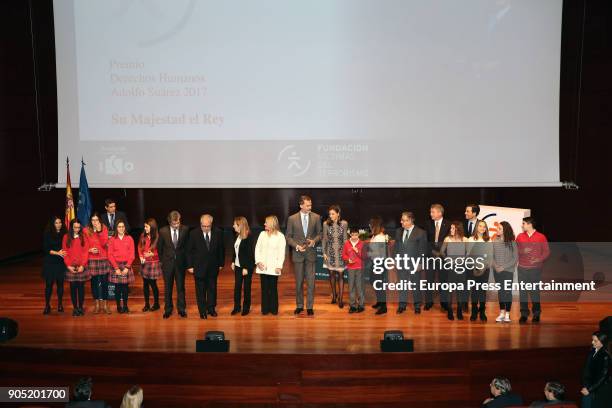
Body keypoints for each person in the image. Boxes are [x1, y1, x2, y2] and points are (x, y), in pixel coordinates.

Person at [285, 195, 322, 316]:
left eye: (310, 205)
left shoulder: (316, 217)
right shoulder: (292, 219)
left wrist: (314, 241)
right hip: (298, 254)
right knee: (299, 282)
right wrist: (296, 246)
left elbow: (320, 234)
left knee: (311, 282)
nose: (310, 207)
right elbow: (288, 237)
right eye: (307, 205)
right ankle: (299, 305)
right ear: (301, 205)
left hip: (311, 253)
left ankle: (310, 306)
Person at [187, 214, 225, 319]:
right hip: (198, 267)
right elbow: (189, 251)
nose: (206, 228)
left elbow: (221, 249)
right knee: (200, 290)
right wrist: (190, 265)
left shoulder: (218, 233)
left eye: (208, 226)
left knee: (212, 289)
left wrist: (221, 263)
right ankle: (202, 311)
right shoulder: (193, 233)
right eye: (204, 226)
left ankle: (211, 309)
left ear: (211, 224)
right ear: (201, 224)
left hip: (213, 267)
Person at [516, 216, 550, 324]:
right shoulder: (520, 236)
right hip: (522, 268)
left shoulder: (541, 237)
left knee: (535, 292)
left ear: (530, 224)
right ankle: (524, 314)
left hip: (535, 270)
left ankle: (536, 313)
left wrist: (539, 259)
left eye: (524, 223)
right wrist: (522, 251)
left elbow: (547, 252)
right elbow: (515, 251)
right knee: (523, 293)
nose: (522, 225)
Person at [157, 210, 190, 319]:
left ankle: (181, 309)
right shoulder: (162, 231)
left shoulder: (185, 230)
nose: (176, 225)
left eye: (178, 223)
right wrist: (163, 261)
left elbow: (187, 247)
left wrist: (187, 262)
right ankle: (168, 309)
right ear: (169, 222)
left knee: (181, 287)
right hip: (167, 265)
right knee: (168, 288)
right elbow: (160, 248)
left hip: (180, 264)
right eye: (174, 223)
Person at [394, 211, 427, 315]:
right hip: (402, 263)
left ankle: (417, 306)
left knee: (416, 285)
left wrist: (421, 263)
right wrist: (396, 259)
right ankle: (402, 305)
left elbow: (423, 249)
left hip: (414, 264)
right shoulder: (398, 231)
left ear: (411, 220)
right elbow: (396, 247)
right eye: (402, 220)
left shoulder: (421, 232)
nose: (401, 222)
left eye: (404, 220)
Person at [255, 215, 286, 315]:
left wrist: (279, 266)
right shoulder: (262, 234)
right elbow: (257, 249)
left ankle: (273, 309)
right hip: (262, 266)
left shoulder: (280, 236)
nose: (264, 224)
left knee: (273, 288)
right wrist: (258, 262)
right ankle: (265, 309)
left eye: (266, 222)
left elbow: (282, 252)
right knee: (264, 288)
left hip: (274, 268)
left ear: (272, 224)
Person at [84, 212, 112, 314]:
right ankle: (96, 305)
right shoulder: (86, 230)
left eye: (96, 220)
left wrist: (99, 231)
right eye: (93, 220)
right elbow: (83, 245)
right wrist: (89, 250)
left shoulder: (104, 228)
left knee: (104, 282)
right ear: (90, 221)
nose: (95, 222)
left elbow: (105, 244)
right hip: (92, 259)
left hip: (103, 258)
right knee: (94, 283)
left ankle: (105, 305)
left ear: (99, 220)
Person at [425, 204, 451, 311]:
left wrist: (440, 253)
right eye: (430, 212)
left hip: (444, 258)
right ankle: (429, 302)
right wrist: (433, 252)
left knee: (443, 281)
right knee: (429, 281)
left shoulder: (449, 224)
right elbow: (426, 241)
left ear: (440, 213)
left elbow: (451, 240)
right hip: (431, 256)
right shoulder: (427, 224)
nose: (430, 214)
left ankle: (444, 303)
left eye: (432, 212)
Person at [441, 221, 468, 320]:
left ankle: (459, 311)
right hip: (450, 268)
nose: (450, 230)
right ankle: (450, 311)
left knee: (460, 290)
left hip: (461, 268)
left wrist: (463, 261)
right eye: (451, 228)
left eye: (453, 228)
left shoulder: (465, 239)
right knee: (450, 290)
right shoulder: (447, 239)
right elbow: (442, 252)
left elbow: (468, 254)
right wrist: (448, 259)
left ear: (458, 229)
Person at [322, 205, 348, 308]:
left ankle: (341, 299)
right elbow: (324, 239)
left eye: (333, 213)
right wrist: (324, 252)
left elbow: (345, 239)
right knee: (332, 275)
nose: (331, 216)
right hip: (330, 253)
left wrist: (347, 252)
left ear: (338, 213)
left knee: (341, 276)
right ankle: (334, 296)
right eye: (330, 214)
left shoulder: (344, 223)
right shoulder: (326, 224)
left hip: (341, 254)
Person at [63, 219, 90, 317]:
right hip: (71, 266)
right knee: (73, 288)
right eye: (75, 227)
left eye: (79, 227)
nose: (77, 229)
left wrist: (82, 265)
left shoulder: (83, 236)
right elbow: (65, 253)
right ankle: (75, 308)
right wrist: (68, 265)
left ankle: (81, 307)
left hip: (81, 266)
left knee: (81, 288)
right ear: (71, 227)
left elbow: (85, 252)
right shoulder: (66, 237)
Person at [467, 220, 493, 322]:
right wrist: (475, 265)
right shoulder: (471, 239)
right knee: (474, 290)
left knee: (482, 291)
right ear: (476, 227)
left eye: (484, 226)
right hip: (473, 268)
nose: (482, 228)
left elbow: (490, 255)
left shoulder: (488, 240)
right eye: (480, 226)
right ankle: (474, 311)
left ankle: (482, 311)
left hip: (485, 268)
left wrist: (484, 265)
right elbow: (469, 255)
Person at [492, 221, 518, 323]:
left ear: (505, 230)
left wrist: (503, 267)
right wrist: (496, 266)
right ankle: (502, 313)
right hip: (497, 271)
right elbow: (492, 256)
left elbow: (515, 258)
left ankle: (507, 314)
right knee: (500, 292)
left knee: (507, 292)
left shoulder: (512, 242)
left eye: (499, 228)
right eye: (497, 228)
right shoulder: (494, 241)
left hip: (508, 271)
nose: (497, 230)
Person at [107, 220, 135, 313]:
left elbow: (132, 254)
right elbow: (110, 255)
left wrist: (127, 267)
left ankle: (126, 306)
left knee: (125, 288)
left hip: (126, 265)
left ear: (125, 228)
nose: (121, 228)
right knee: (118, 288)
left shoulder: (129, 238)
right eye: (119, 226)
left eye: (123, 226)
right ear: (116, 228)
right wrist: (116, 268)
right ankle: (119, 306)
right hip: (116, 265)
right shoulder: (112, 239)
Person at [231, 216, 256, 316]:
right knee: (237, 287)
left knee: (246, 288)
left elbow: (250, 255)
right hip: (237, 266)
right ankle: (237, 307)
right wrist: (233, 261)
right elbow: (235, 250)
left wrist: (245, 267)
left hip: (247, 267)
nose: (233, 226)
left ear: (240, 226)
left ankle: (246, 308)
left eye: (235, 224)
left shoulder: (249, 237)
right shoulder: (237, 235)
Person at [42, 216, 66, 314]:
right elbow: (46, 249)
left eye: (60, 222)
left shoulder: (65, 233)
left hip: (60, 263)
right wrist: (58, 253)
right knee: (49, 285)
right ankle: (47, 305)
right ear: (53, 224)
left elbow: (68, 246)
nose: (59, 224)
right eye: (56, 223)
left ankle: (60, 305)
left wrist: (63, 252)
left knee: (60, 285)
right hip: (50, 262)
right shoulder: (47, 234)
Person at [581, 331, 612, 408]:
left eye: (595, 341)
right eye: (592, 340)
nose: (592, 342)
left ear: (602, 342)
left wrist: (590, 389)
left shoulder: (605, 356)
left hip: (600, 390)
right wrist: (585, 385)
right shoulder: (592, 351)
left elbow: (603, 377)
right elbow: (587, 370)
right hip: (590, 387)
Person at [368, 216, 390, 315]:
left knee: (379, 284)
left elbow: (380, 253)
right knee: (374, 282)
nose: (369, 226)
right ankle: (380, 302)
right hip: (375, 262)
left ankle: (384, 307)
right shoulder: (375, 236)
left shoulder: (380, 238)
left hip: (379, 263)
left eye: (371, 225)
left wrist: (369, 254)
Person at [138, 218, 161, 313]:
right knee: (145, 284)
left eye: (146, 226)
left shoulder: (158, 237)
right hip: (145, 263)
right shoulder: (143, 235)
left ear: (152, 227)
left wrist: (153, 254)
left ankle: (156, 304)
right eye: (144, 226)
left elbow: (162, 251)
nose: (145, 228)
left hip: (154, 263)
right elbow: (139, 247)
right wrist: (140, 256)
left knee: (153, 284)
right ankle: (147, 304)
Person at [342, 226, 365, 313]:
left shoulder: (362, 244)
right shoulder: (346, 243)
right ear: (350, 235)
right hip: (350, 268)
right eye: (353, 235)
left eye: (356, 235)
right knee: (351, 287)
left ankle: (361, 305)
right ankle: (352, 305)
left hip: (359, 268)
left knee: (359, 287)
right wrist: (348, 259)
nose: (354, 237)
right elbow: (343, 255)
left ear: (358, 235)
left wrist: (357, 251)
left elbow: (364, 256)